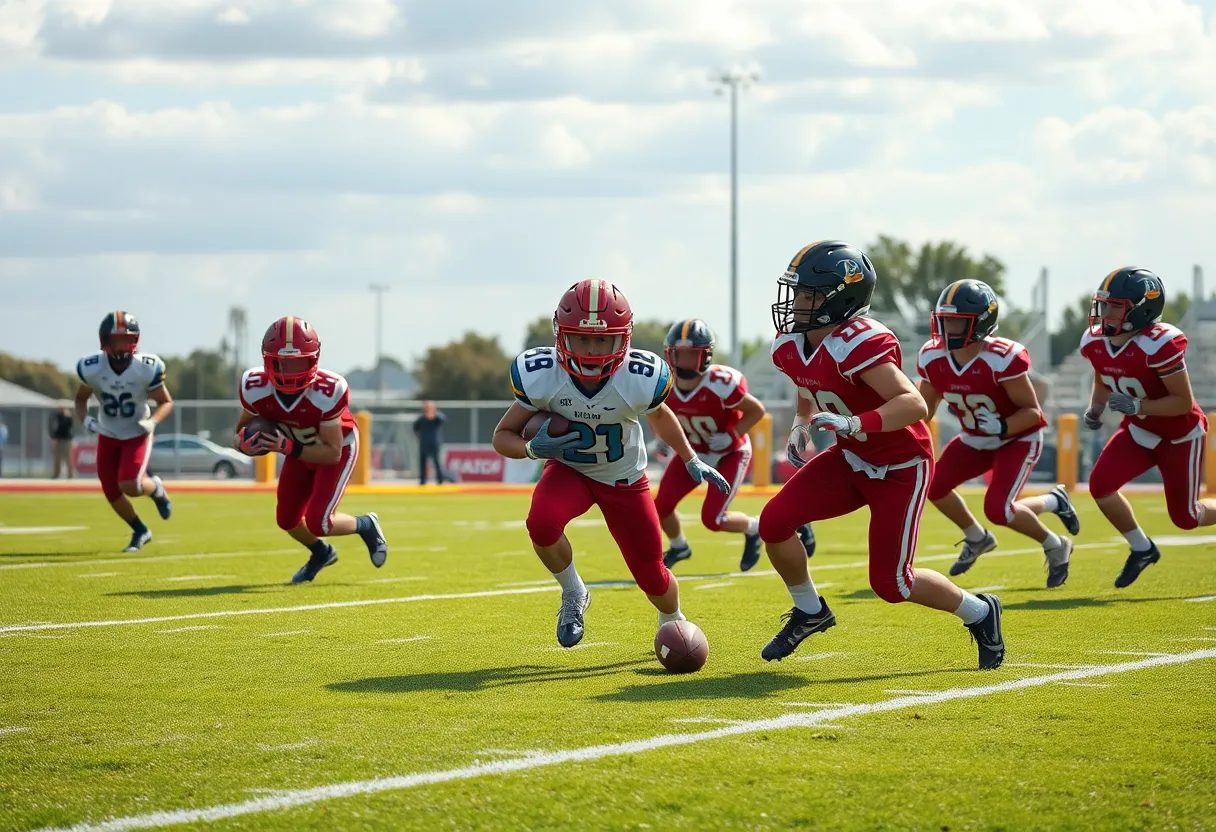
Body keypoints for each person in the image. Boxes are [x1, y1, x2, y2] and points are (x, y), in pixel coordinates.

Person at [759, 241, 1005, 670]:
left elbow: (915, 405)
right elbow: (807, 384)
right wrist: (801, 424)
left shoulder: (857, 342)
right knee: (773, 522)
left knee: (892, 584)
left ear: (840, 299)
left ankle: (980, 612)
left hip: (899, 466)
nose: (796, 303)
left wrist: (855, 423)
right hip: (851, 457)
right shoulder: (790, 343)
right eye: (796, 292)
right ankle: (810, 610)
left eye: (809, 295)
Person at [492, 279, 731, 648]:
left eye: (602, 339)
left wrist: (691, 458)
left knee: (652, 574)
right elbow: (503, 435)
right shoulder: (542, 375)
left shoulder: (638, 378)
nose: (591, 350)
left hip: (623, 478)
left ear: (623, 338)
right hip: (571, 470)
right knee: (540, 523)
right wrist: (532, 450)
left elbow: (661, 416)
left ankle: (674, 621)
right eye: (582, 339)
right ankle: (574, 593)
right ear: (561, 335)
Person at [916, 280, 1079, 588]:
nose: (947, 327)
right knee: (933, 486)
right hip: (974, 438)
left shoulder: (1001, 357)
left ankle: (1055, 543)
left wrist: (1002, 426)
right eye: (944, 319)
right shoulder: (932, 356)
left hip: (1017, 438)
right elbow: (923, 410)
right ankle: (977, 538)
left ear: (980, 323)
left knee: (998, 508)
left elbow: (1032, 413)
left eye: (956, 321)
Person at [1080, 267, 1216, 587]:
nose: (1104, 313)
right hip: (1139, 432)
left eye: (1115, 306)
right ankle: (1142, 548)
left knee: (1186, 518)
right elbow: (1103, 373)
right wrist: (1096, 407)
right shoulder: (1096, 341)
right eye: (1104, 304)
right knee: (1100, 485)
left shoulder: (1158, 344)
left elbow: (1183, 402)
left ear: (1142, 309)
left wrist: (1139, 406)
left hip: (1179, 435)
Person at [234, 316, 389, 584]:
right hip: (296, 449)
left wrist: (286, 446)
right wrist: (245, 445)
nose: (290, 371)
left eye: (299, 362)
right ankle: (321, 553)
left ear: (314, 360)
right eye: (283, 362)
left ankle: (366, 524)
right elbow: (239, 435)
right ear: (267, 360)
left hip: (335, 449)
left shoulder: (328, 390)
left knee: (321, 523)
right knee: (287, 519)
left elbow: (332, 452)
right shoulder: (254, 387)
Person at [657, 318, 815, 572]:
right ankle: (679, 546)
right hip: (694, 452)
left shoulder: (720, 383)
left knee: (713, 519)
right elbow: (661, 417)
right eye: (679, 355)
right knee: (661, 505)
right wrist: (665, 440)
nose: (683, 362)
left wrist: (731, 436)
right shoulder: (664, 384)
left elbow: (756, 410)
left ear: (705, 357)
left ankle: (754, 527)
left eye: (690, 355)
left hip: (730, 452)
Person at [74, 311, 174, 551]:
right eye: (116, 339)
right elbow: (80, 400)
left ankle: (157, 489)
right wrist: (86, 420)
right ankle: (140, 530)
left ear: (135, 340)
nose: (121, 345)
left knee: (130, 484)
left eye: (125, 338)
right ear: (104, 340)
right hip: (108, 432)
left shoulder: (146, 367)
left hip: (137, 432)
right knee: (110, 489)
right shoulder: (92, 368)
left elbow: (166, 402)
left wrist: (153, 423)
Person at [413, 400, 446, 484]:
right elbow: (415, 428)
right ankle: (422, 481)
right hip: (424, 443)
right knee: (422, 463)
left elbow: (443, 419)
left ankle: (440, 480)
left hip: (434, 443)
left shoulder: (437, 418)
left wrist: (433, 413)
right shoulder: (421, 419)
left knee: (436, 462)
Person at [49, 407, 75, 479]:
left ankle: (70, 474)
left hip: (66, 439)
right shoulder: (55, 416)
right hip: (57, 439)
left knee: (68, 457)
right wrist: (54, 438)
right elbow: (53, 428)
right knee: (56, 457)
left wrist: (67, 416)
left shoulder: (68, 417)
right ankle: (56, 474)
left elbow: (68, 426)